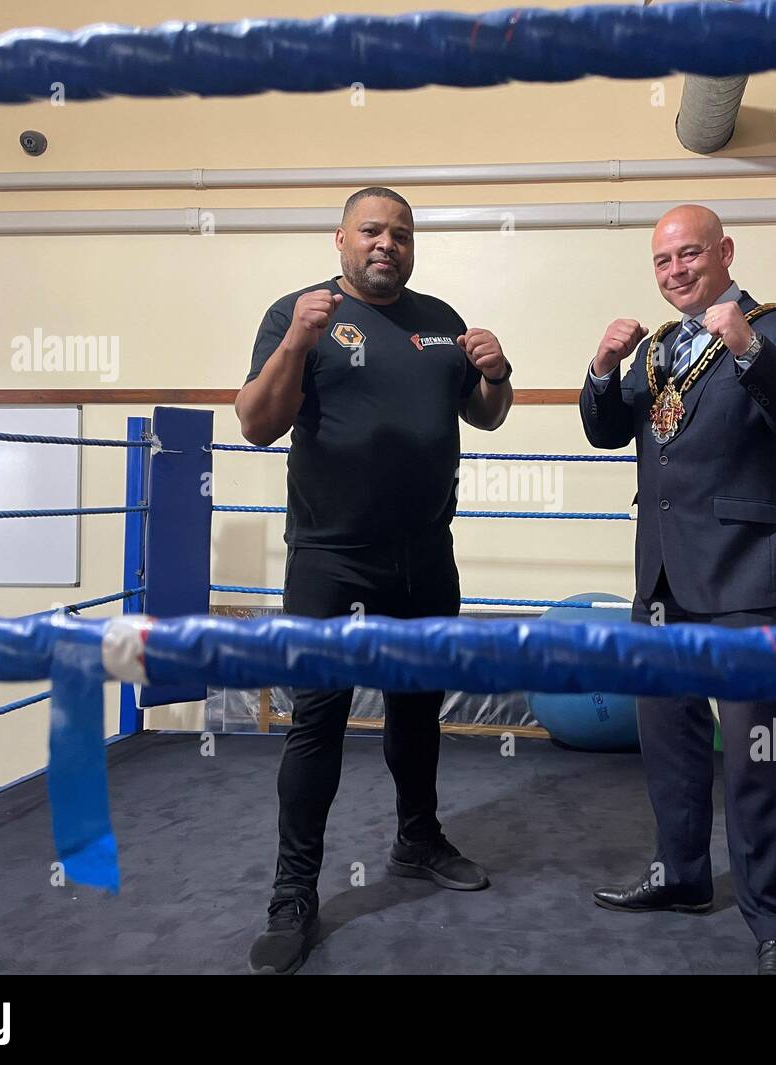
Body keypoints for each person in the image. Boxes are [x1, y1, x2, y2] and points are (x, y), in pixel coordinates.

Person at [236, 186, 514, 975]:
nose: (386, 242)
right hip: (330, 559)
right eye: (371, 231)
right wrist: (295, 341)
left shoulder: (441, 319)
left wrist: (495, 374)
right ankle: (294, 892)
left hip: (425, 555)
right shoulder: (298, 312)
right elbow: (256, 423)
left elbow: (487, 414)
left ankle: (417, 838)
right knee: (317, 720)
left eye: (400, 232)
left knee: (417, 709)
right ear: (341, 239)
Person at [578, 204, 776, 975]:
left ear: (724, 251)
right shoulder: (658, 348)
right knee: (668, 739)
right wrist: (599, 367)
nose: (676, 271)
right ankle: (682, 875)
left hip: (745, 572)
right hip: (660, 572)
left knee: (754, 750)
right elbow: (607, 430)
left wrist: (749, 347)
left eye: (689, 255)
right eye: (662, 261)